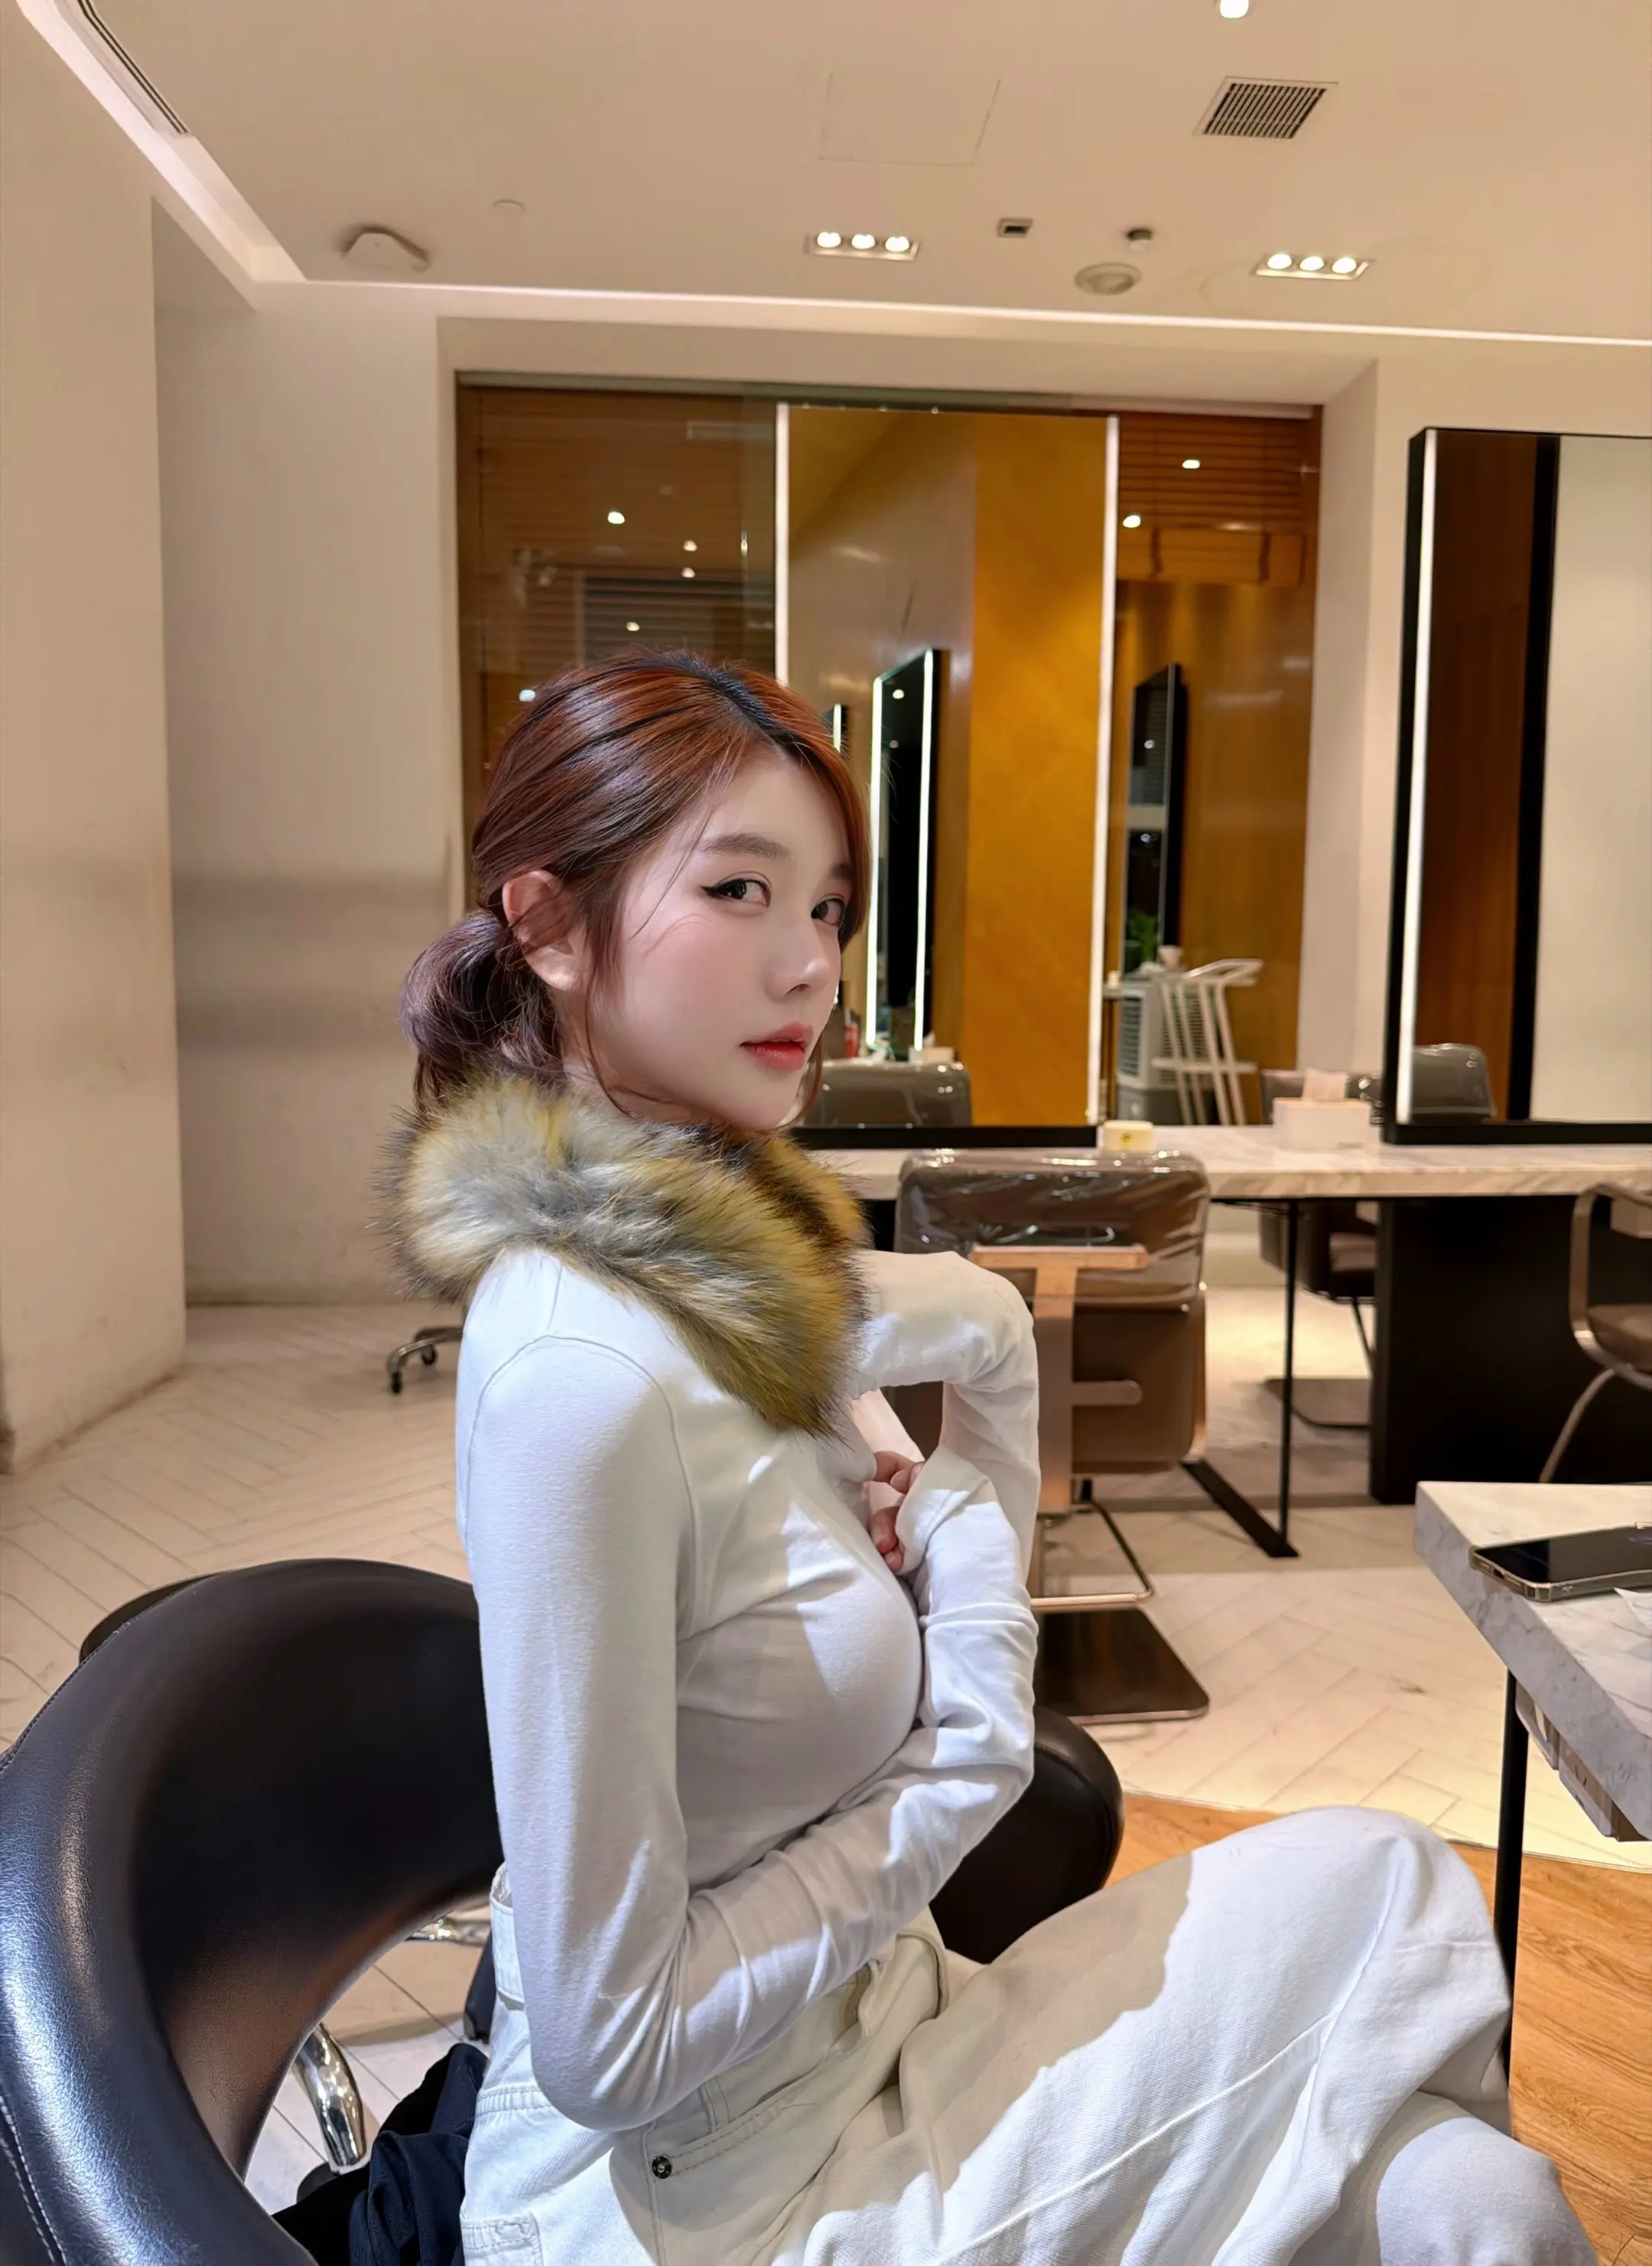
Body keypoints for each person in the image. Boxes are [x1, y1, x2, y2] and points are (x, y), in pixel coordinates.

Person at [386, 653, 1589, 2266]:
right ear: (545, 922)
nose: (809, 964)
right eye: (740, 889)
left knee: (1472, 2192)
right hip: (704, 2196)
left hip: (893, 2028)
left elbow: (944, 1530)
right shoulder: (582, 1381)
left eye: (829, 906)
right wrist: (958, 1767)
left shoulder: (756, 1281)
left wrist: (982, 1359)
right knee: (1392, 1889)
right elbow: (611, 2044)